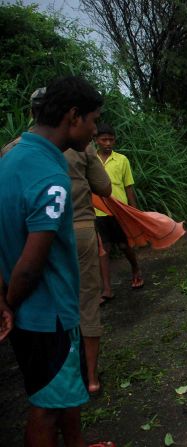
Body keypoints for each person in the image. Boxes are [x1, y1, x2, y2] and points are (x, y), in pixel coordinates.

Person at [0, 75, 103, 446]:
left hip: (32, 314)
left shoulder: (12, 157)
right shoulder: (51, 178)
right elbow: (30, 265)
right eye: (92, 120)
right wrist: (8, 305)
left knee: (60, 396)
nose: (94, 130)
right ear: (73, 117)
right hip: (48, 314)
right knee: (45, 409)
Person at [94, 124, 143, 298]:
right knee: (103, 249)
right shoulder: (91, 159)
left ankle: (135, 268)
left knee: (124, 245)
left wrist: (134, 212)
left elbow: (129, 187)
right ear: (96, 141)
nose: (108, 143)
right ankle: (106, 289)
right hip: (99, 212)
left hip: (120, 211)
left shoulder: (122, 160)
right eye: (103, 139)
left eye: (111, 139)